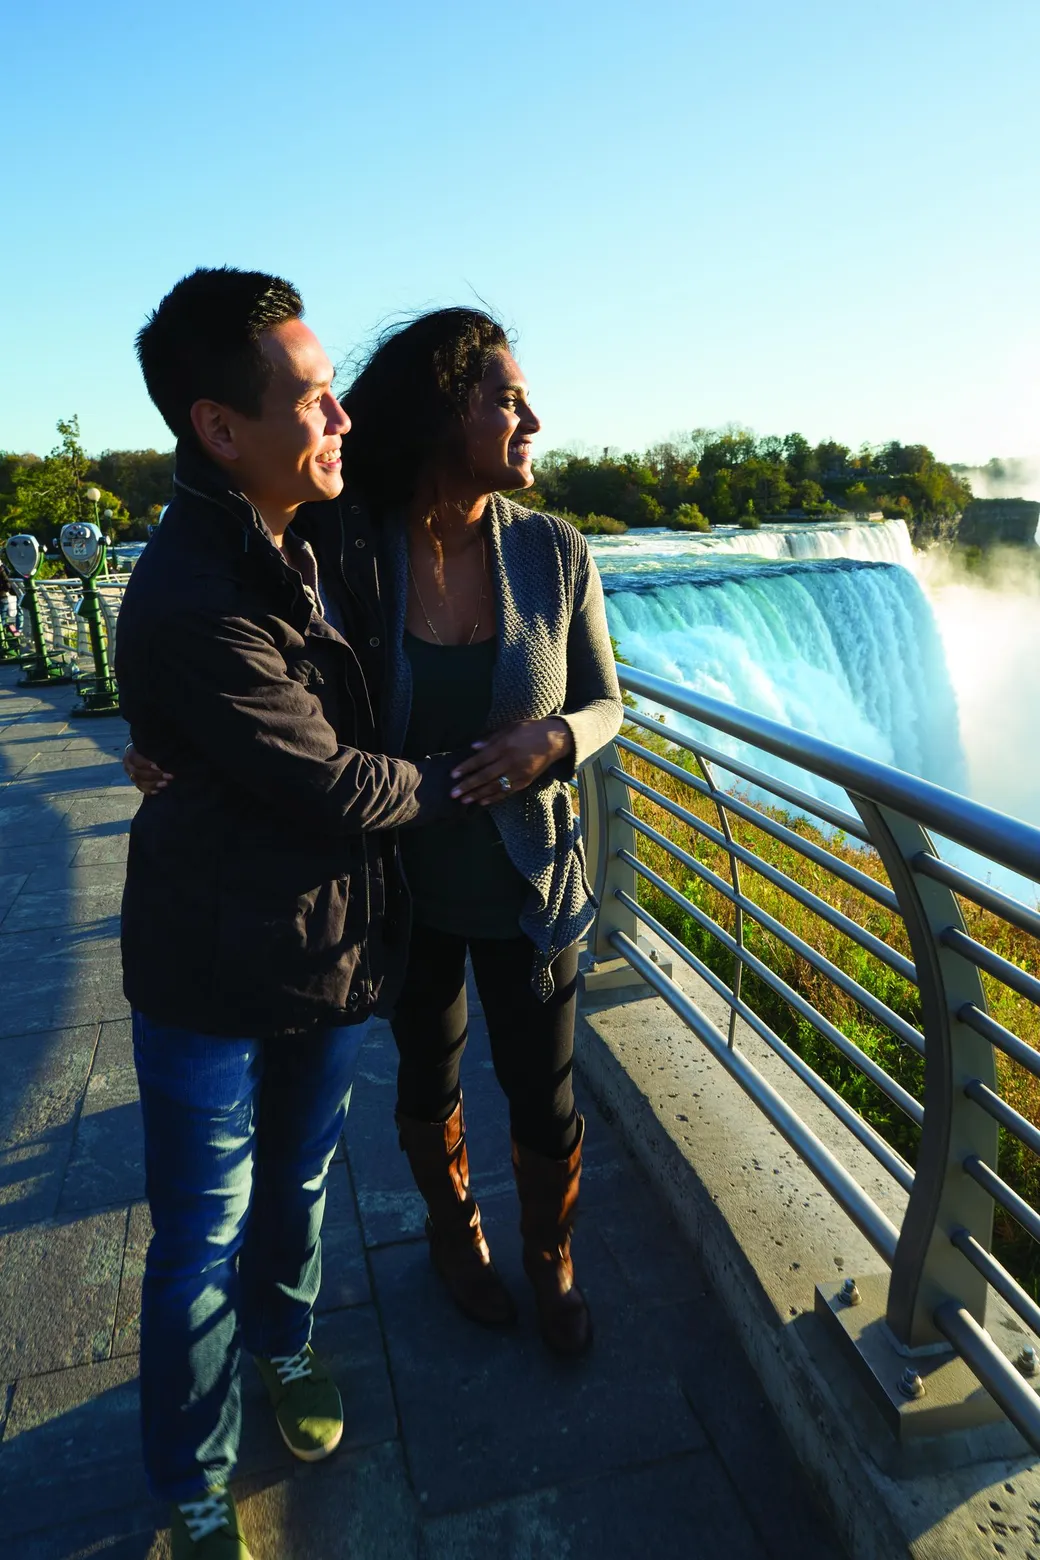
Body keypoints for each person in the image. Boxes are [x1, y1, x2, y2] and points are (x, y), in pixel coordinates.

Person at [126, 307, 623, 1358]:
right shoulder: (347, 548)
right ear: (444, 412)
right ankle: (456, 1240)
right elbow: (254, 654)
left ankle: (552, 1258)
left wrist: (556, 744)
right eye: (504, 399)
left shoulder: (553, 552)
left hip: (530, 884)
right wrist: (168, 739)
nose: (532, 418)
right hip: (394, 892)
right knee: (427, 1078)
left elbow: (604, 703)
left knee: (543, 1093)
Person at [117, 269, 481, 1560]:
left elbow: (422, 452)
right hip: (211, 968)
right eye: (311, 400)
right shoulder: (186, 595)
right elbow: (325, 779)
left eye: (334, 395)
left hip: (326, 947)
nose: (335, 420)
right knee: (197, 1238)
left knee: (303, 1183)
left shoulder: (314, 529)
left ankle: (282, 1346)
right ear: (220, 429)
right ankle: (195, 1480)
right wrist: (467, 776)